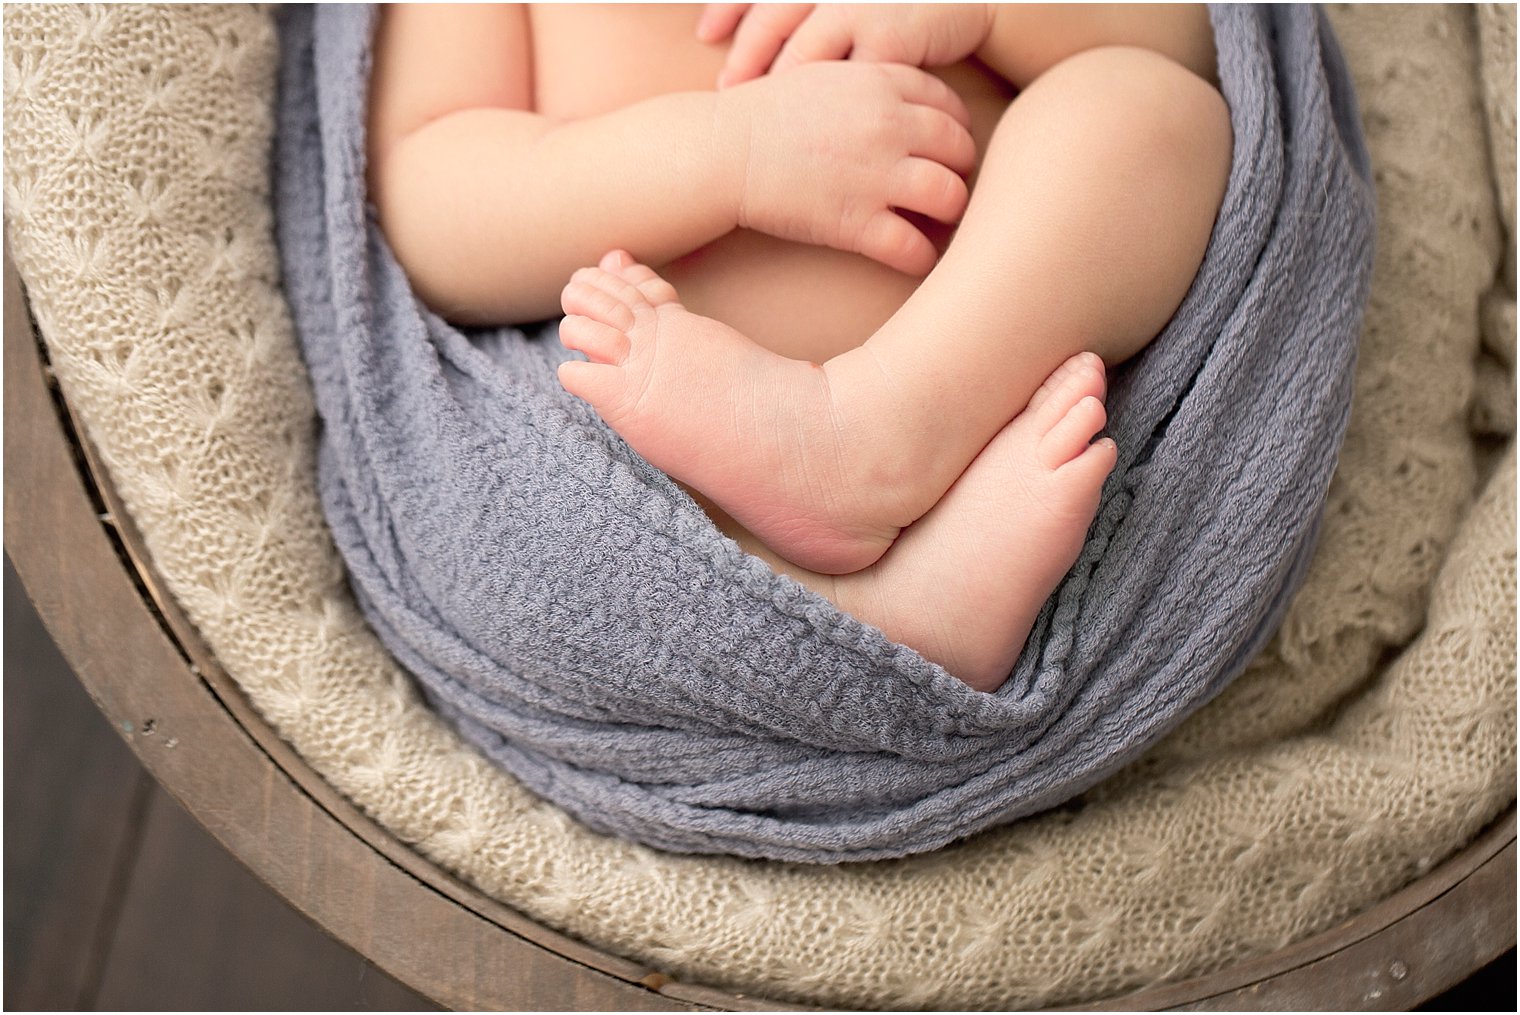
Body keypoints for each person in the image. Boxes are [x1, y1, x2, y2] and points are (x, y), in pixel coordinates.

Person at [365, 3, 1232, 691]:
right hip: (687, 409)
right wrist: (730, 151)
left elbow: (1180, 32)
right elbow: (429, 198)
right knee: (539, 518)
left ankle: (875, 435)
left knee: (1158, 109)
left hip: (1008, 360)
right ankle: (885, 603)